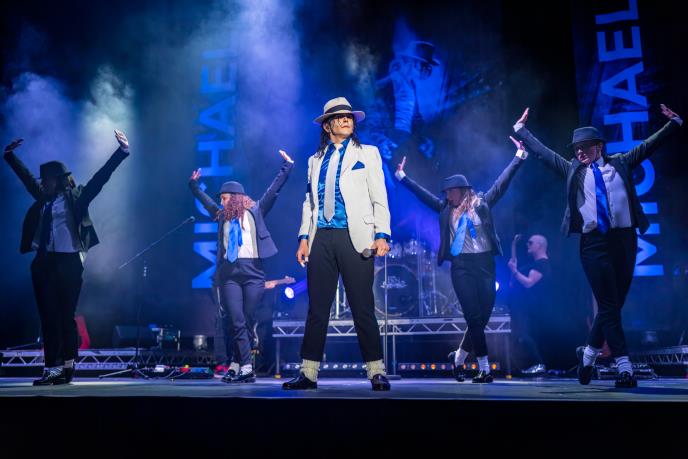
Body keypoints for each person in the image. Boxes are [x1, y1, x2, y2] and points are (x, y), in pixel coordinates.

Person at [513, 104, 682, 388]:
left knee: (613, 305)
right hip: (593, 244)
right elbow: (544, 153)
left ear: (599, 146)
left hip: (625, 240)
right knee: (608, 304)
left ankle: (588, 356)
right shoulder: (573, 170)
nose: (579, 152)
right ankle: (624, 367)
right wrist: (521, 130)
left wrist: (674, 123)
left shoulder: (621, 163)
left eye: (585, 147)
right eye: (576, 148)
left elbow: (649, 145)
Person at [395, 136, 528, 383]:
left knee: (483, 317)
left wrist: (518, 157)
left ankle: (458, 358)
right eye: (445, 193)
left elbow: (502, 182)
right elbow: (422, 195)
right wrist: (403, 178)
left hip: (485, 264)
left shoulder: (482, 203)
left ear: (462, 191)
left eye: (450, 192)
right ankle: (484, 368)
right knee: (473, 317)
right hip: (461, 266)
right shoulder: (445, 209)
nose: (447, 196)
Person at [3, 130, 130, 385]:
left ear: (58, 180)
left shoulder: (77, 196)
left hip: (69, 262)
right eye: (42, 180)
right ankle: (51, 369)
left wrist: (122, 151)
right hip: (44, 263)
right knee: (47, 316)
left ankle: (68, 366)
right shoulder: (43, 199)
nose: (42, 183)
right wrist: (9, 156)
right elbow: (26, 178)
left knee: (65, 315)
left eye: (46, 179)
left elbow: (100, 179)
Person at [283, 97, 392, 391]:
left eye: (349, 116)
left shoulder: (368, 153)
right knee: (317, 308)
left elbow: (379, 196)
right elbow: (309, 202)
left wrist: (382, 233)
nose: (346, 120)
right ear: (327, 125)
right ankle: (308, 373)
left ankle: (376, 371)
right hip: (321, 237)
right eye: (340, 117)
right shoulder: (314, 160)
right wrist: (303, 238)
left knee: (362, 306)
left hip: (355, 236)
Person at [189, 150, 294, 383]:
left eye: (225, 198)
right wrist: (194, 186)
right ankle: (246, 366)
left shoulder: (255, 211)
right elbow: (205, 201)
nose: (222, 201)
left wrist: (286, 167)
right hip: (229, 274)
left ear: (236, 197)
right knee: (235, 320)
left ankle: (236, 363)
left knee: (246, 319)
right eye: (221, 198)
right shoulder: (221, 216)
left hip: (253, 272)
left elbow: (273, 191)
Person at [507, 234, 551, 375]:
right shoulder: (534, 264)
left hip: (531, 307)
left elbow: (529, 283)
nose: (528, 245)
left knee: (524, 334)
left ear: (540, 245)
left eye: (530, 242)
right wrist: (513, 245)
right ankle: (524, 365)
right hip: (523, 306)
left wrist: (515, 271)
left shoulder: (542, 264)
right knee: (519, 335)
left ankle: (539, 364)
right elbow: (515, 274)